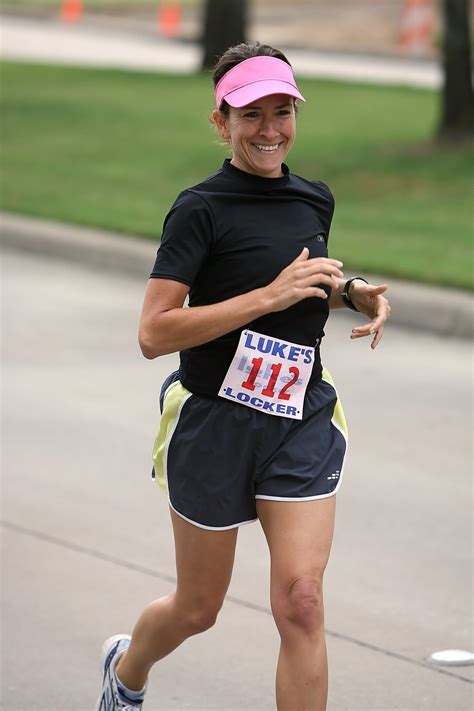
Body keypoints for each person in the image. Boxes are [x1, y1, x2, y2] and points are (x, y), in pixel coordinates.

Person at [96, 42, 390, 711]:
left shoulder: (314, 199)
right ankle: (127, 667)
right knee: (199, 606)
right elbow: (154, 331)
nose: (269, 129)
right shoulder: (198, 209)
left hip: (299, 417)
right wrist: (268, 296)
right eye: (250, 113)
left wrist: (352, 290)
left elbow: (307, 280)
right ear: (220, 121)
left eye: (281, 111)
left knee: (303, 600)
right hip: (212, 422)